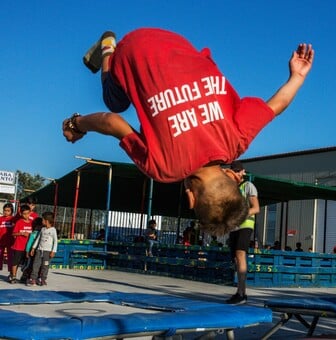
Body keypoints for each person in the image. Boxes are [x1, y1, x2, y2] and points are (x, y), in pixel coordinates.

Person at [62, 28, 314, 237]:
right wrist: (77, 124)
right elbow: (112, 122)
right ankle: (109, 48)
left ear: (232, 176)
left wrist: (298, 77)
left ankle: (115, 55)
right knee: (115, 102)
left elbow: (276, 106)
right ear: (191, 198)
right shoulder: (163, 168)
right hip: (133, 49)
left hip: (176, 41)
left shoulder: (237, 139)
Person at [226, 161, 260, 305]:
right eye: (235, 171)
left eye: (239, 171)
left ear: (243, 172)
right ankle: (238, 291)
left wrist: (241, 216)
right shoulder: (230, 189)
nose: (237, 173)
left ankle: (242, 293)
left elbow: (256, 208)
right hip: (233, 227)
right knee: (235, 259)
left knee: (240, 255)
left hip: (245, 225)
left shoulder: (248, 186)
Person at [29, 212, 58, 286]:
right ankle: (33, 279)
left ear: (47, 221)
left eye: (43, 220)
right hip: (39, 250)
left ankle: (43, 279)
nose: (42, 221)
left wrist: (53, 251)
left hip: (47, 252)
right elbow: (38, 239)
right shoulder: (42, 229)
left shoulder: (53, 230)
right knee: (36, 265)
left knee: (45, 266)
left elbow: (55, 242)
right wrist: (33, 248)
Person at [9, 204, 33, 283]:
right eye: (24, 214)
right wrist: (22, 233)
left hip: (28, 248)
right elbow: (13, 233)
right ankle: (13, 276)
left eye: (28, 213)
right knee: (15, 262)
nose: (26, 215)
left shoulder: (32, 223)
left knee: (27, 263)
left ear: (30, 213)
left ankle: (24, 276)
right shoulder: (19, 222)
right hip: (18, 247)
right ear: (21, 214)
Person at [0, 203, 15, 272]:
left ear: (11, 211)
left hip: (10, 241)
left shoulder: (13, 219)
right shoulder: (1, 219)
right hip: (1, 240)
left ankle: (11, 272)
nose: (6, 212)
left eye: (8, 211)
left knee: (10, 257)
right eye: (5, 210)